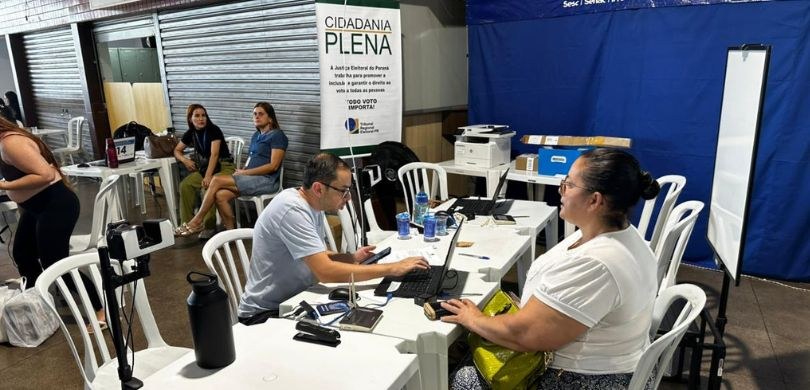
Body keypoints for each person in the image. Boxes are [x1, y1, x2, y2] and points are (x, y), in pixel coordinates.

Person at [444, 148, 661, 389]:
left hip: (589, 379)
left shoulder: (597, 263)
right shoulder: (621, 235)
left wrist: (473, 319)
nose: (561, 190)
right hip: (613, 362)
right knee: (473, 349)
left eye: (569, 184)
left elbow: (525, 334)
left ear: (595, 200)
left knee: (465, 380)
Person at [237, 153, 430, 325]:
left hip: (296, 300)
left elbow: (316, 254)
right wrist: (392, 268)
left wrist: (351, 258)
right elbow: (325, 272)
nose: (348, 198)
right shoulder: (291, 210)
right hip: (265, 314)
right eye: (343, 190)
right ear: (318, 188)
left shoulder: (313, 205)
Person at [0, 117, 105, 329]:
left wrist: (4, 186)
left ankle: (102, 308)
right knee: (23, 254)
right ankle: (39, 306)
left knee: (56, 264)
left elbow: (45, 174)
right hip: (37, 207)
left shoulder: (10, 143)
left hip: (55, 205)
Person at [174, 101, 288, 236]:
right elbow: (252, 158)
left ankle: (197, 221)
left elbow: (273, 166)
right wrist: (243, 170)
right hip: (250, 177)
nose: (256, 116)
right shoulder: (256, 136)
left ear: (270, 118)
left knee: (215, 180)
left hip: (267, 180)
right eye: (254, 114)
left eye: (261, 114)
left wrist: (245, 172)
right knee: (219, 195)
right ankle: (232, 234)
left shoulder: (277, 136)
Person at [173, 104, 235, 239]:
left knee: (207, 186)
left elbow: (214, 155)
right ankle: (188, 224)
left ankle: (208, 226)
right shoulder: (191, 133)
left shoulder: (213, 130)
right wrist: (185, 160)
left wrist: (208, 176)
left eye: (203, 115)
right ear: (190, 119)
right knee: (185, 185)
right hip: (206, 168)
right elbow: (177, 150)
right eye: (197, 116)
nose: (201, 119)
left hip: (224, 166)